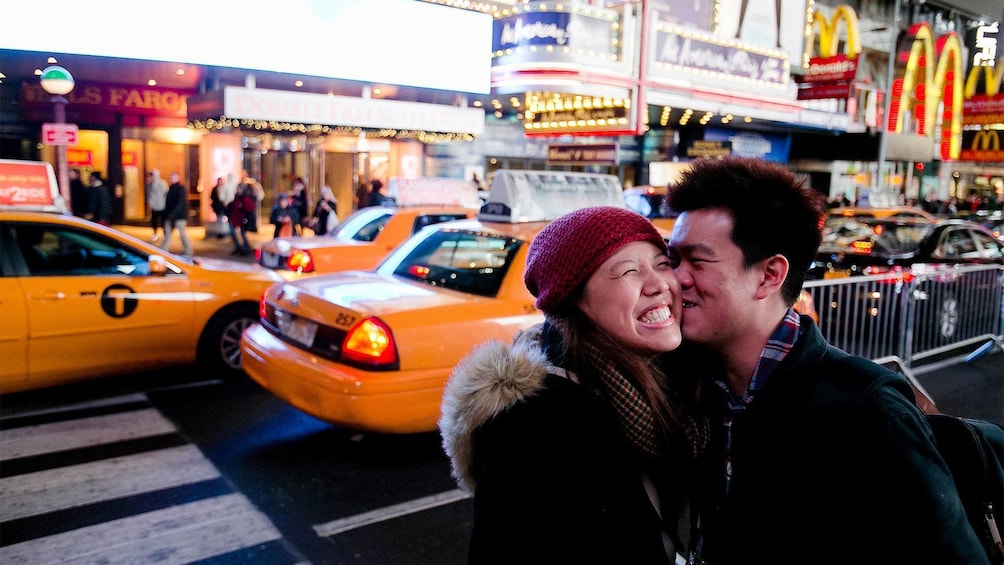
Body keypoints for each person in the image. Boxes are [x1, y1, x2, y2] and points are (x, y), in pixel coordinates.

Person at [663, 156, 987, 565]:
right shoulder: (692, 387)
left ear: (769, 275)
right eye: (673, 259)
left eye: (698, 260)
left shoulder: (868, 408)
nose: (677, 278)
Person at [440, 206, 708, 564]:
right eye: (629, 271)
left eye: (662, 264)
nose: (660, 283)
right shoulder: (531, 428)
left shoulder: (675, 381)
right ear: (575, 301)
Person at [160, 172, 193, 256]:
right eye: (170, 178)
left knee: (182, 234)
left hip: (179, 216)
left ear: (177, 178)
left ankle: (188, 251)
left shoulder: (180, 189)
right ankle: (163, 250)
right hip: (171, 215)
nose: (171, 179)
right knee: (167, 233)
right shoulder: (171, 189)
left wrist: (173, 213)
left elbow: (180, 203)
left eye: (172, 178)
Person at [227, 182, 258, 256]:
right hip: (234, 218)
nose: (238, 190)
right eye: (237, 188)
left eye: (239, 188)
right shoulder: (237, 197)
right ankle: (239, 247)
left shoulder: (245, 198)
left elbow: (249, 208)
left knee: (242, 234)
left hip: (242, 219)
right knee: (233, 233)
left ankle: (246, 248)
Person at [145, 169, 168, 242]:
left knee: (163, 222)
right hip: (154, 207)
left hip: (162, 206)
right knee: (154, 221)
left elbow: (166, 193)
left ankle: (165, 234)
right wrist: (150, 202)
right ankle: (155, 234)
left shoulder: (162, 183)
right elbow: (149, 195)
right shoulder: (149, 185)